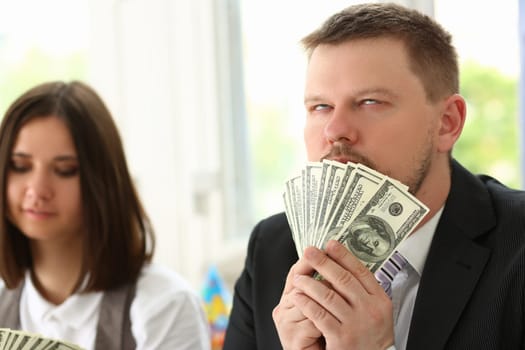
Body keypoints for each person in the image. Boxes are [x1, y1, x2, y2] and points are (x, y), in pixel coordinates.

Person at [223, 3, 525, 350]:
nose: (335, 130)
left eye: (369, 102)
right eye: (320, 107)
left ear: (447, 123)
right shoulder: (272, 249)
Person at [0, 81, 211, 350]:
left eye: (65, 170)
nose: (37, 191)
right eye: (20, 166)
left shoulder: (164, 306)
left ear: (102, 181)